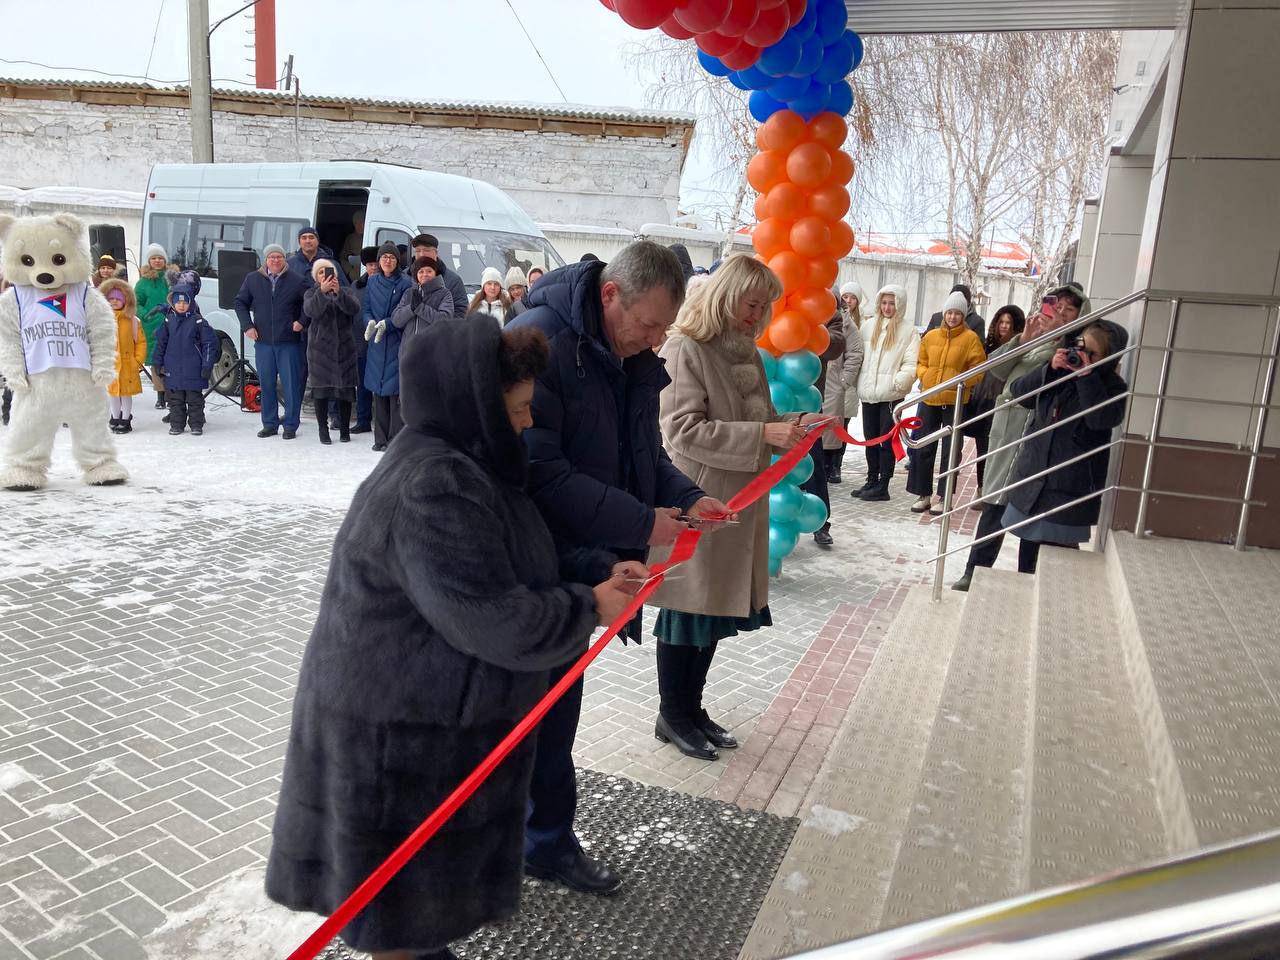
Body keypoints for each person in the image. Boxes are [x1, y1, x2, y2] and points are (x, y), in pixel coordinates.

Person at [264, 320, 644, 960]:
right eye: (520, 410)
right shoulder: (433, 484)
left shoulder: (467, 464)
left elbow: (511, 559)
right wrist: (589, 606)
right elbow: (492, 618)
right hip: (395, 740)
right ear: (475, 405)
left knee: (412, 912)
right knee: (396, 908)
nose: (526, 424)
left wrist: (590, 572)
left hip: (422, 722)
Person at [508, 241, 730, 895]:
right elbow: (539, 471)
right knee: (531, 713)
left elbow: (645, 452)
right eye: (650, 325)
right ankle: (527, 842)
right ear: (611, 296)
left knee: (557, 708)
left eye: (666, 328)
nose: (657, 339)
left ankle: (539, 838)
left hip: (592, 560)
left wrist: (686, 495)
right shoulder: (541, 343)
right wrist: (641, 525)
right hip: (537, 562)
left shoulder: (626, 351)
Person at [652, 256, 811, 759]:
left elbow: (753, 419)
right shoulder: (686, 348)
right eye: (752, 303)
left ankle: (691, 711)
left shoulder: (742, 352)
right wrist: (765, 433)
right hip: (697, 499)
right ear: (727, 295)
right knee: (686, 610)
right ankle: (672, 714)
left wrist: (795, 424)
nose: (758, 314)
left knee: (713, 613)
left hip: (737, 503)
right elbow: (682, 430)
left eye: (765, 306)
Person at [953, 284, 1087, 591]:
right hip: (1008, 432)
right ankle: (974, 572)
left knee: (1034, 512)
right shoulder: (1034, 341)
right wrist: (1023, 341)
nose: (1060, 314)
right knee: (995, 503)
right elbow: (995, 371)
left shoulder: (1074, 348)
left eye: (1070, 309)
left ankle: (1029, 577)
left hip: (1040, 438)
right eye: (1056, 307)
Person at [1002, 319, 1129, 574]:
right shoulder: (1059, 372)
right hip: (1035, 475)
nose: (1083, 356)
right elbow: (1019, 393)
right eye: (1081, 347)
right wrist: (1049, 368)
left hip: (1070, 482)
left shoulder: (1113, 387)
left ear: (1108, 357)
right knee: (1028, 549)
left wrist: (1086, 376)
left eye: (1093, 353)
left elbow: (1101, 419)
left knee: (1060, 556)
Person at [905, 290, 987, 515]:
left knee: (951, 451)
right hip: (930, 398)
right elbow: (920, 361)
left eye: (957, 314)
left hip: (955, 400)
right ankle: (923, 494)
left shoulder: (970, 339)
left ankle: (944, 496)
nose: (952, 317)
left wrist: (959, 382)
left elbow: (979, 369)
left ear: (963, 315)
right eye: (949, 312)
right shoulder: (931, 336)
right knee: (923, 446)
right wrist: (925, 375)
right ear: (944, 313)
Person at [234, 243, 309, 440]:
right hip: (264, 342)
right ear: (265, 260)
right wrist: (247, 326)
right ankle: (270, 423)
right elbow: (240, 302)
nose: (275, 260)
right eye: (271, 257)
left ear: (285, 259)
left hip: (289, 343)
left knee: (291, 385)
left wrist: (301, 322)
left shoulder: (297, 280)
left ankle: (291, 424)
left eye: (279, 257)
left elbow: (308, 304)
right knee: (266, 384)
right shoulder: (253, 279)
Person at [854, 285, 919, 502]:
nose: (887, 307)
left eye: (892, 303)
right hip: (869, 393)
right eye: (884, 303)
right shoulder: (868, 326)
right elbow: (859, 355)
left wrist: (897, 384)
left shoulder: (908, 330)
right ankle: (872, 479)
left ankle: (884, 484)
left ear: (899, 305)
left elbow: (911, 363)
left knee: (886, 441)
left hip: (890, 395)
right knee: (870, 439)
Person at [961, 304, 1025, 501]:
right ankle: (981, 488)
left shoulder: (1020, 347)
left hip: (1001, 402)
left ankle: (987, 490)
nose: (1004, 326)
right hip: (980, 401)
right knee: (980, 448)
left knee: (990, 449)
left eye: (1009, 323)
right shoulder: (986, 345)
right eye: (1001, 322)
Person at [800, 299, 847, 546]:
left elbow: (837, 344)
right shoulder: (780, 302)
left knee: (813, 460)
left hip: (809, 394)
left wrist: (807, 330)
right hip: (776, 392)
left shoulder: (830, 310)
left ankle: (821, 523)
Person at [302, 259, 361, 445]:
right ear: (316, 277)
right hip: (320, 350)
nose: (325, 276)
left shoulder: (346, 291)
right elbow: (310, 311)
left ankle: (344, 429)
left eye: (328, 273)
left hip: (344, 349)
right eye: (321, 273)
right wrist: (322, 292)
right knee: (321, 392)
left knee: (345, 391)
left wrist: (339, 293)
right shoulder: (311, 293)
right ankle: (323, 429)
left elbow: (354, 309)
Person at [362, 242, 413, 451]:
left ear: (397, 260)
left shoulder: (406, 283)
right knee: (378, 392)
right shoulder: (372, 282)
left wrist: (388, 324)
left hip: (395, 340)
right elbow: (365, 307)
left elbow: (405, 312)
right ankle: (379, 439)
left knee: (394, 392)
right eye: (384, 258)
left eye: (391, 258)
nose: (388, 261)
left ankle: (394, 440)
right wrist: (370, 322)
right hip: (376, 341)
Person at [153, 281, 218, 436]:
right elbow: (161, 343)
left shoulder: (198, 321)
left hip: (193, 368)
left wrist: (207, 365)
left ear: (191, 303)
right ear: (173, 303)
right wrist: (157, 362)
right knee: (175, 400)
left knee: (194, 399)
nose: (181, 305)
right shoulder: (169, 321)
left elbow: (209, 344)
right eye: (178, 302)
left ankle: (196, 424)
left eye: (185, 302)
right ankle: (177, 424)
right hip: (173, 368)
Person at [821, 281, 866, 485]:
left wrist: (843, 380)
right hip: (812, 382)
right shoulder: (812, 319)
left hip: (833, 384)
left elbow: (855, 353)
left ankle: (830, 468)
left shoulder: (848, 325)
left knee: (831, 430)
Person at [99, 280, 148, 434]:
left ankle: (125, 419)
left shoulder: (133, 321)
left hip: (128, 364)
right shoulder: (101, 321)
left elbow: (141, 342)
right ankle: (115, 417)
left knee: (126, 393)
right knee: (113, 393)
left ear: (125, 301)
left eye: (118, 299)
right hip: (110, 363)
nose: (114, 302)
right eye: (111, 299)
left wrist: (137, 360)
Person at [134, 243, 172, 410]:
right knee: (157, 361)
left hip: (171, 324)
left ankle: (172, 393)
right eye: (154, 258)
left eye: (160, 258)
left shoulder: (172, 278)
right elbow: (136, 302)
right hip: (152, 327)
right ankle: (160, 395)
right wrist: (145, 315)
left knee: (171, 360)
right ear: (149, 261)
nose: (157, 261)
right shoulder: (143, 282)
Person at [350, 245, 380, 434]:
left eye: (376, 264)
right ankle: (363, 419)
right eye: (370, 264)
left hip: (383, 342)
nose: (374, 268)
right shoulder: (357, 287)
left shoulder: (391, 284)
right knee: (362, 384)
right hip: (361, 342)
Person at [391, 256, 455, 340]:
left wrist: (420, 308)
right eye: (421, 271)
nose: (425, 274)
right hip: (409, 349)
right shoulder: (409, 293)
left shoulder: (444, 294)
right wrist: (410, 308)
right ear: (416, 275)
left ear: (435, 273)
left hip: (433, 349)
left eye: (429, 271)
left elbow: (445, 321)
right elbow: (396, 320)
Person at [410, 234, 467, 317]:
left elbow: (461, 314)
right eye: (418, 251)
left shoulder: (453, 280)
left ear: (436, 253)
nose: (422, 254)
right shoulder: (406, 276)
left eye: (426, 250)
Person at [338, 211, 366, 282]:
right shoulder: (351, 238)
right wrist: (350, 272)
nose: (360, 226)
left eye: (362, 223)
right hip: (356, 277)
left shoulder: (373, 235)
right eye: (357, 223)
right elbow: (343, 258)